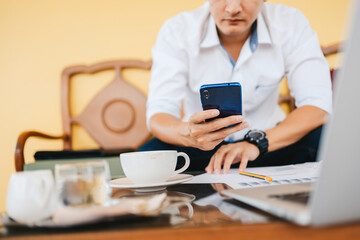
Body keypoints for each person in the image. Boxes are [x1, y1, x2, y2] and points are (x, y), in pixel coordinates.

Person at [139, 0, 332, 174]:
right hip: (200, 148)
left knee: (328, 136)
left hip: (269, 144)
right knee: (147, 155)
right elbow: (159, 113)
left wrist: (257, 143)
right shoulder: (177, 30)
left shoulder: (291, 23)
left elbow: (318, 105)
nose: (233, 9)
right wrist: (188, 133)